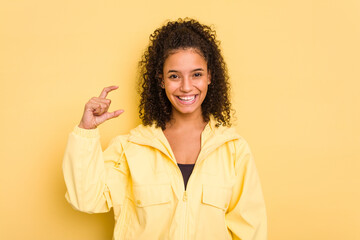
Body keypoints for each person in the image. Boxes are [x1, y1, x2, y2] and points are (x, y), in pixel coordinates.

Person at [63, 18, 267, 240]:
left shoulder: (234, 150)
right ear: (161, 80)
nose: (186, 86)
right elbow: (85, 199)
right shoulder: (131, 148)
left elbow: (251, 231)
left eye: (196, 74)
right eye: (174, 76)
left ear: (210, 77)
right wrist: (86, 131)